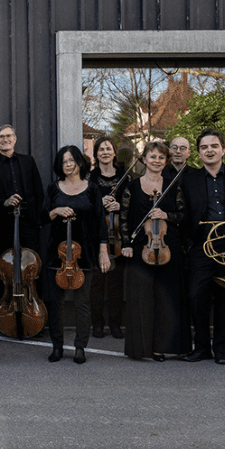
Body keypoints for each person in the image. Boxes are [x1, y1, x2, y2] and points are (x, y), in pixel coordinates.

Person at [179, 129, 225, 365]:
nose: (209, 150)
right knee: (196, 296)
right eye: (204, 147)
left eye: (214, 146)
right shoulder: (189, 179)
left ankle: (222, 350)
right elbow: (184, 214)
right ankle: (201, 348)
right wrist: (190, 244)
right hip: (201, 246)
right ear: (198, 153)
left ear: (223, 150)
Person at [117, 141, 189, 360]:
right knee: (141, 299)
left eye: (161, 157)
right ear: (144, 159)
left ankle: (161, 347)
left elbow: (183, 215)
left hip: (168, 247)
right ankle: (140, 348)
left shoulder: (173, 185)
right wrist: (126, 244)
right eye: (152, 156)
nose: (156, 161)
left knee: (166, 298)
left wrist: (166, 215)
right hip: (141, 247)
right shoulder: (132, 186)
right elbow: (123, 218)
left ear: (165, 161)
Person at [43, 144, 111, 364]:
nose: (68, 164)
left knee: (82, 303)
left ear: (80, 162)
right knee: (56, 303)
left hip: (85, 253)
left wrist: (103, 252)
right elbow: (41, 217)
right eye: (64, 161)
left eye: (71, 160)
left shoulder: (92, 189)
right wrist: (55, 211)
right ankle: (57, 346)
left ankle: (80, 346)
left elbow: (100, 223)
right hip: (57, 254)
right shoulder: (53, 188)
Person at [0, 125, 45, 334]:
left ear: (15, 139)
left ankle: (34, 316)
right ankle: (7, 315)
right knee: (5, 272)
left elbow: (38, 192)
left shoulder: (28, 161)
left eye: (9, 136)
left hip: (28, 224)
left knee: (32, 271)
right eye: (0, 137)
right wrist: (4, 202)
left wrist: (36, 221)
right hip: (4, 226)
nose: (5, 139)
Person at [90, 135, 129, 340]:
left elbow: (132, 205)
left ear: (114, 153)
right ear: (96, 154)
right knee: (97, 283)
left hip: (118, 236)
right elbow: (85, 205)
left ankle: (115, 323)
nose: (105, 152)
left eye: (108, 149)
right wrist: (100, 203)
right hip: (96, 235)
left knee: (116, 284)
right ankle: (97, 323)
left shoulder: (125, 177)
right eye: (101, 149)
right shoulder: (90, 178)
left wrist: (120, 205)